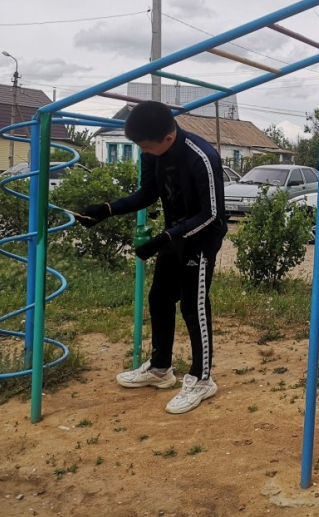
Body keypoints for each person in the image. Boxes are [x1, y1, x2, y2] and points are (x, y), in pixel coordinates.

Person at [79, 101, 227, 414]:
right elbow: (147, 193)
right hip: (174, 235)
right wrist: (106, 210)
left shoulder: (203, 157)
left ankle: (202, 379)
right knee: (159, 298)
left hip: (201, 239)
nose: (142, 151)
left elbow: (211, 214)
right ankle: (161, 369)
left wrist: (165, 238)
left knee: (193, 305)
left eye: (145, 146)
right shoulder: (152, 152)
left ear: (168, 138)